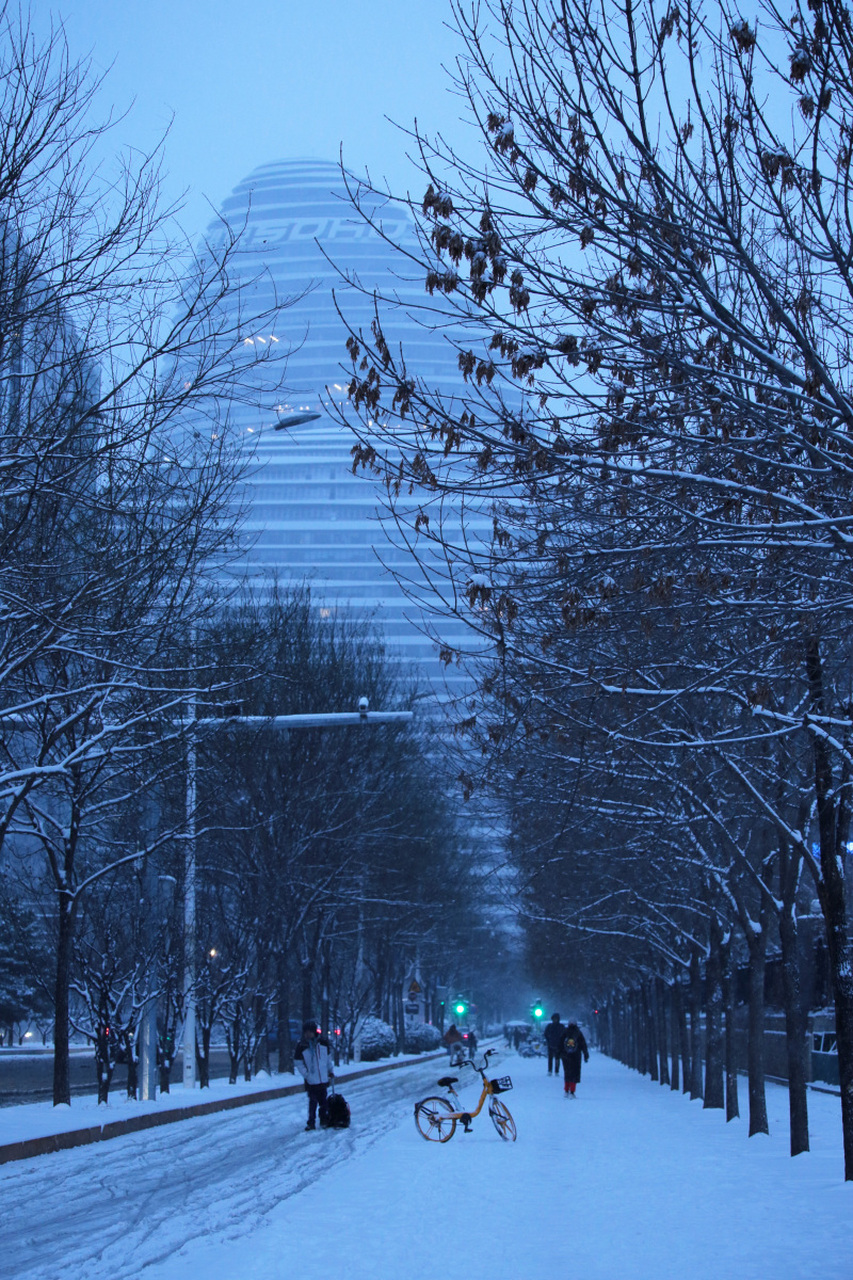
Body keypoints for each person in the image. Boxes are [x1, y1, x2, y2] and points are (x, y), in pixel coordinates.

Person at [294, 1018, 335, 1130]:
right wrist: (307, 1075)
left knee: (323, 1102)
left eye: (310, 1032)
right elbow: (298, 1062)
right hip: (311, 1080)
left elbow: (328, 1060)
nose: (307, 1034)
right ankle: (311, 1122)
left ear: (314, 1031)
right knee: (312, 1102)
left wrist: (330, 1071)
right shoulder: (302, 1046)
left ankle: (324, 1119)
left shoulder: (323, 1044)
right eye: (306, 1032)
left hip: (323, 1079)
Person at [559, 1020, 589, 1097]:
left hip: (566, 1056)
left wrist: (559, 1053)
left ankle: (566, 1090)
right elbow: (583, 1044)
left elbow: (560, 1043)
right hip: (576, 1056)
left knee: (567, 1072)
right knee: (575, 1073)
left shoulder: (565, 1032)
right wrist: (585, 1054)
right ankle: (572, 1091)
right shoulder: (578, 1033)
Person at [544, 1012, 565, 1076]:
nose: (555, 1020)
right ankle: (550, 1070)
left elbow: (564, 1035)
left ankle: (556, 1071)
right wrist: (549, 1040)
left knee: (557, 1058)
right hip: (551, 1044)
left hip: (558, 1045)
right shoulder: (549, 1026)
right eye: (554, 1019)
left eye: (556, 1019)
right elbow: (545, 1034)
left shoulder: (561, 1026)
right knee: (550, 1058)